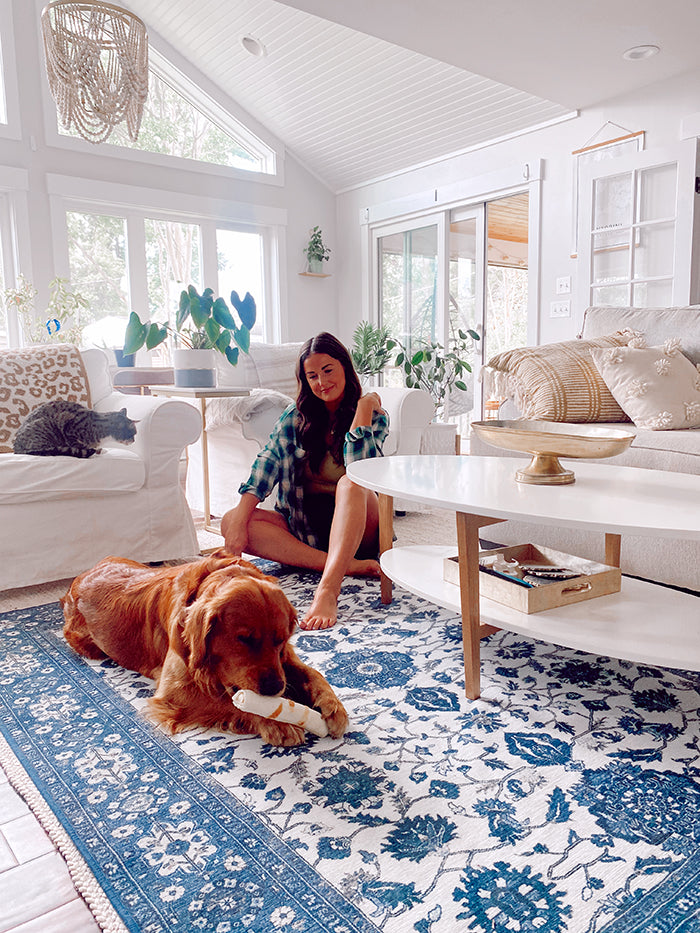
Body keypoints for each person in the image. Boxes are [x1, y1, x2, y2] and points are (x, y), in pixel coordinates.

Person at [221, 332, 388, 631]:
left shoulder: (373, 416)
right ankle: (340, 565)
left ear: (345, 369)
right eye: (312, 376)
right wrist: (236, 528)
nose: (322, 382)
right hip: (304, 530)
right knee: (233, 519)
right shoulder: (295, 417)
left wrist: (363, 408)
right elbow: (267, 462)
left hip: (360, 527)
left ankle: (328, 589)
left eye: (328, 370)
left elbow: (360, 467)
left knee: (350, 482)